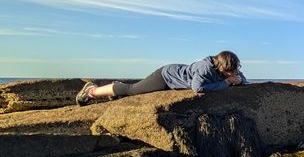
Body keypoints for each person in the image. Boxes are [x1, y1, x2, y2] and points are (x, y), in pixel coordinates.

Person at [76, 50, 247, 105]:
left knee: (133, 91)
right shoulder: (205, 69)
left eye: (235, 71)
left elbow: (240, 78)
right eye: (231, 72)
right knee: (133, 90)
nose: (234, 74)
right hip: (166, 76)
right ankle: (92, 91)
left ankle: (113, 90)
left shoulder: (228, 69)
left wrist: (240, 81)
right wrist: (225, 83)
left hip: (175, 78)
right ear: (222, 67)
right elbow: (198, 88)